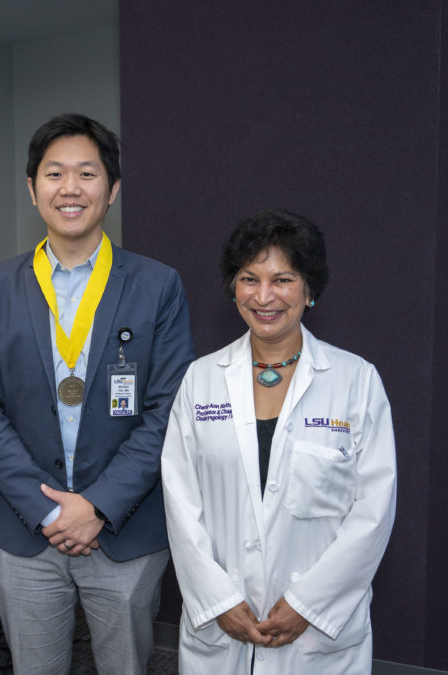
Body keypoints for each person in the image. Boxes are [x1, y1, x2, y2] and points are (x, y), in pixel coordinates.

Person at [0, 113, 194, 674]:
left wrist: (98, 506)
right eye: (54, 173)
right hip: (25, 531)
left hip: (123, 529)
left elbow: (167, 410)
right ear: (32, 189)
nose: (70, 188)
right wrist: (48, 511)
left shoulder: (157, 285)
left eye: (87, 174)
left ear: (112, 189)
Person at [161, 209, 397, 673]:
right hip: (224, 620)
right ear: (233, 287)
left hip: (316, 633)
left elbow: (373, 511)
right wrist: (218, 599)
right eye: (249, 279)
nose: (264, 296)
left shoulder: (356, 381)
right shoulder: (201, 380)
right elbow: (180, 500)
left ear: (310, 290)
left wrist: (309, 603)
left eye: (283, 279)